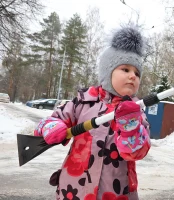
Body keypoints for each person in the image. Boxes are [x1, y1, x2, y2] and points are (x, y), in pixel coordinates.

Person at [34, 26, 151, 199]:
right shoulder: (84, 101)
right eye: (125, 69)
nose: (133, 76)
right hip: (75, 188)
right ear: (107, 72)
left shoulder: (136, 112)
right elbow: (51, 121)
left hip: (115, 191)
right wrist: (52, 127)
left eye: (137, 73)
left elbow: (137, 152)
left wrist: (130, 126)